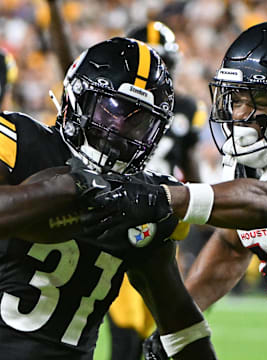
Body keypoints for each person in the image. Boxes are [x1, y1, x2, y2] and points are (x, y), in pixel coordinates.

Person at [93, 20, 267, 360]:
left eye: (258, 99)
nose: (240, 114)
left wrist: (165, 197)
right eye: (236, 99)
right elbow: (231, 245)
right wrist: (177, 326)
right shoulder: (250, 159)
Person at [0, 36, 217, 360]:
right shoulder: (20, 142)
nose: (119, 132)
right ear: (77, 98)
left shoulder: (138, 200)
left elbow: (181, 322)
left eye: (139, 122)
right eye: (110, 111)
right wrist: (71, 187)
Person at [104, 21, 210, 360]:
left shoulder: (187, 109)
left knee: (159, 336)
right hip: (121, 216)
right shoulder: (114, 105)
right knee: (127, 336)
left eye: (164, 61)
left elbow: (193, 174)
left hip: (163, 220)